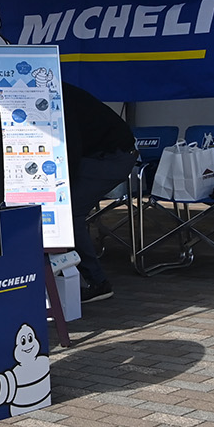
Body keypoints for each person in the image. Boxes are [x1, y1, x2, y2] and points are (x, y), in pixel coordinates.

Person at [63, 83, 136, 304]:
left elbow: (71, 150)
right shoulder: (54, 92)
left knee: (69, 212)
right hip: (101, 153)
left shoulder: (59, 99)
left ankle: (96, 281)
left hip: (112, 155)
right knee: (62, 208)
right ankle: (66, 272)